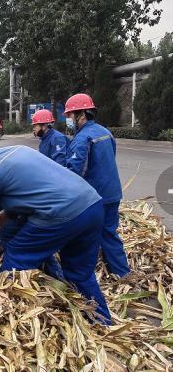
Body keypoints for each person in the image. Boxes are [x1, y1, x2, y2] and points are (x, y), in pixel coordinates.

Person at [0, 132, 111, 324]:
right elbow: (38, 188)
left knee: (16, 257)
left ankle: (8, 318)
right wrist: (11, 212)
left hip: (61, 213)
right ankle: (103, 324)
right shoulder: (19, 150)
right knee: (80, 273)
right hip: (92, 205)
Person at [64, 93, 130, 278]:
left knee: (87, 235)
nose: (68, 120)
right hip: (112, 192)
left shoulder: (82, 138)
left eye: (70, 116)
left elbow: (76, 173)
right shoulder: (106, 132)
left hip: (95, 197)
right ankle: (122, 272)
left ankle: (83, 274)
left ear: (81, 114)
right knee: (109, 232)